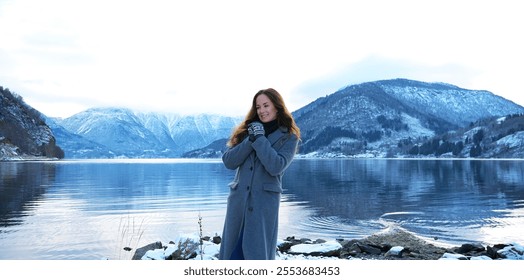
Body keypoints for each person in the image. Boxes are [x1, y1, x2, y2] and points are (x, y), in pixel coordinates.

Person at [218, 88, 301, 260]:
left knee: (257, 255)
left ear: (277, 107)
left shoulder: (289, 138)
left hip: (263, 204)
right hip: (238, 202)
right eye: (258, 107)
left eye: (266, 105)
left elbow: (276, 166)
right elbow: (229, 162)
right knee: (232, 254)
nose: (262, 111)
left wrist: (260, 139)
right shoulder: (247, 132)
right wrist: (250, 139)